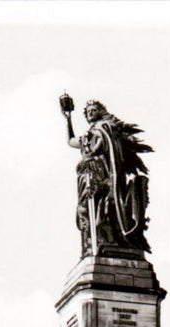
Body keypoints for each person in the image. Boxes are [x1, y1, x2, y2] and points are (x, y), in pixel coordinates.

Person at [61, 98, 153, 256]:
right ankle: (95, 244)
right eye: (88, 112)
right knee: (86, 213)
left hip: (103, 176)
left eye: (93, 110)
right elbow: (71, 141)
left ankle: (109, 241)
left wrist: (91, 151)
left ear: (100, 112)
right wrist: (68, 118)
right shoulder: (88, 135)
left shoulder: (104, 128)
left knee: (103, 212)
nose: (90, 114)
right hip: (87, 179)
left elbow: (103, 145)